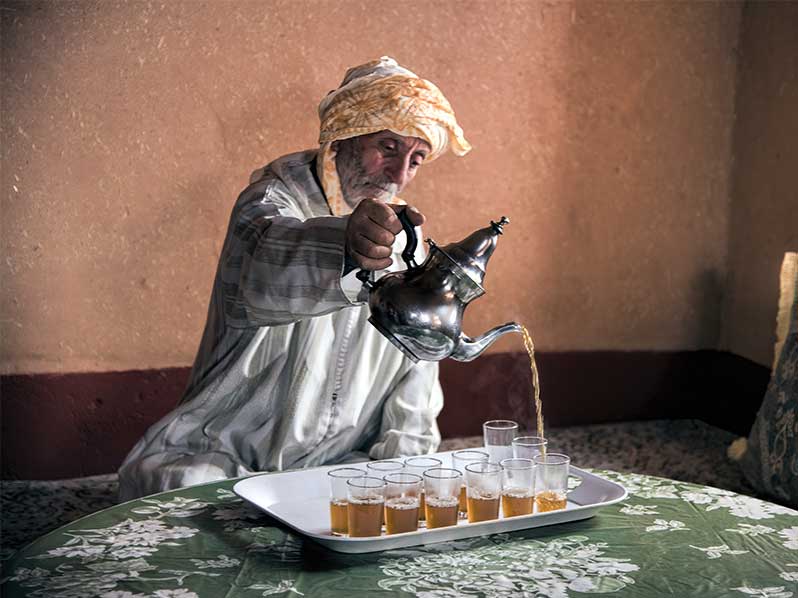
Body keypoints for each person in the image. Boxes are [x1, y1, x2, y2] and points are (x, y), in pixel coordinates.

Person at [118, 56, 472, 500]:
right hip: (226, 457)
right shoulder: (270, 201)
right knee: (182, 489)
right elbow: (266, 265)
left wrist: (406, 472)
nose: (400, 175)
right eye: (388, 147)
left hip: (338, 465)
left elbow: (415, 377)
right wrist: (346, 244)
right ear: (343, 137)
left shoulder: (408, 244)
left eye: (416, 159)